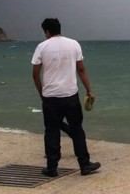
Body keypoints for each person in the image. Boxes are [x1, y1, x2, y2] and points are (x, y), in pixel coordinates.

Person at [32, 18, 101, 177]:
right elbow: (81, 69)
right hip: (70, 95)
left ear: (47, 32)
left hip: (50, 97)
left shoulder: (42, 47)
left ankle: (52, 168)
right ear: (59, 29)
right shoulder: (74, 44)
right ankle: (84, 165)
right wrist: (89, 90)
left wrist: (42, 93)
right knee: (77, 130)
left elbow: (35, 75)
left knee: (51, 132)